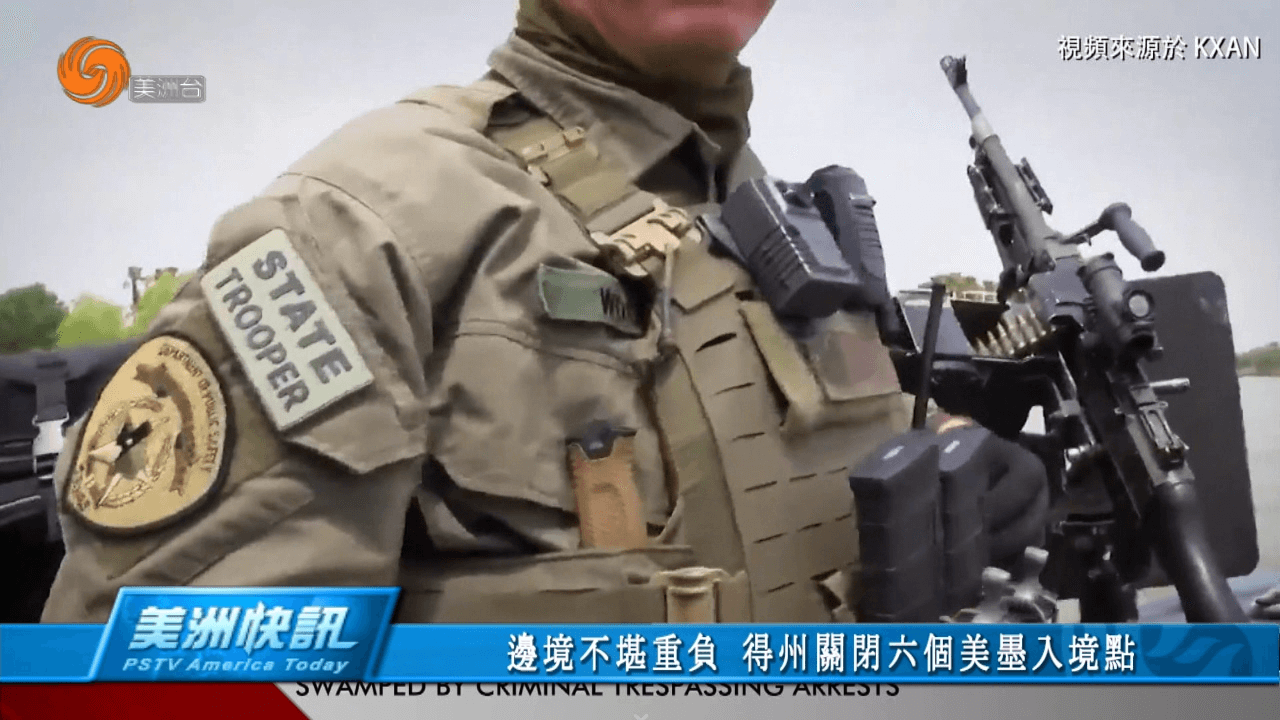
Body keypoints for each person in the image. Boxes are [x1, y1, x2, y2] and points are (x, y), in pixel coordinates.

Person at [41, 0, 1048, 624]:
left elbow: (762, 446)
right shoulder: (364, 221)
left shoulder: (756, 205)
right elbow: (167, 678)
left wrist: (948, 451)